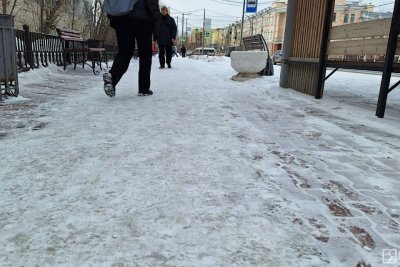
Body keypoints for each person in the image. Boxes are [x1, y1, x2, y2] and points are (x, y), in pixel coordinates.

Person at [103, 0, 160, 97]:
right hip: (143, 19)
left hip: (122, 19)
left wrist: (112, 15)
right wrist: (156, 25)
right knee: (145, 54)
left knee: (124, 52)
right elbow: (153, 3)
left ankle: (112, 76)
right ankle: (144, 89)